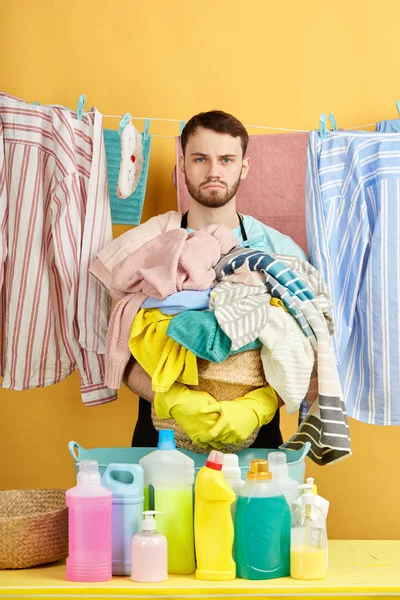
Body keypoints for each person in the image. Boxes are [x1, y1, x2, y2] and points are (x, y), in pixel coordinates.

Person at [123, 110, 307, 448]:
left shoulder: (278, 250)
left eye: (226, 159)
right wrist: (172, 401)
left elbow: (299, 349)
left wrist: (260, 406)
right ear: (182, 165)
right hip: (161, 430)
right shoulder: (148, 245)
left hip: (255, 434)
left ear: (244, 166)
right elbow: (120, 347)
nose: (213, 171)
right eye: (200, 159)